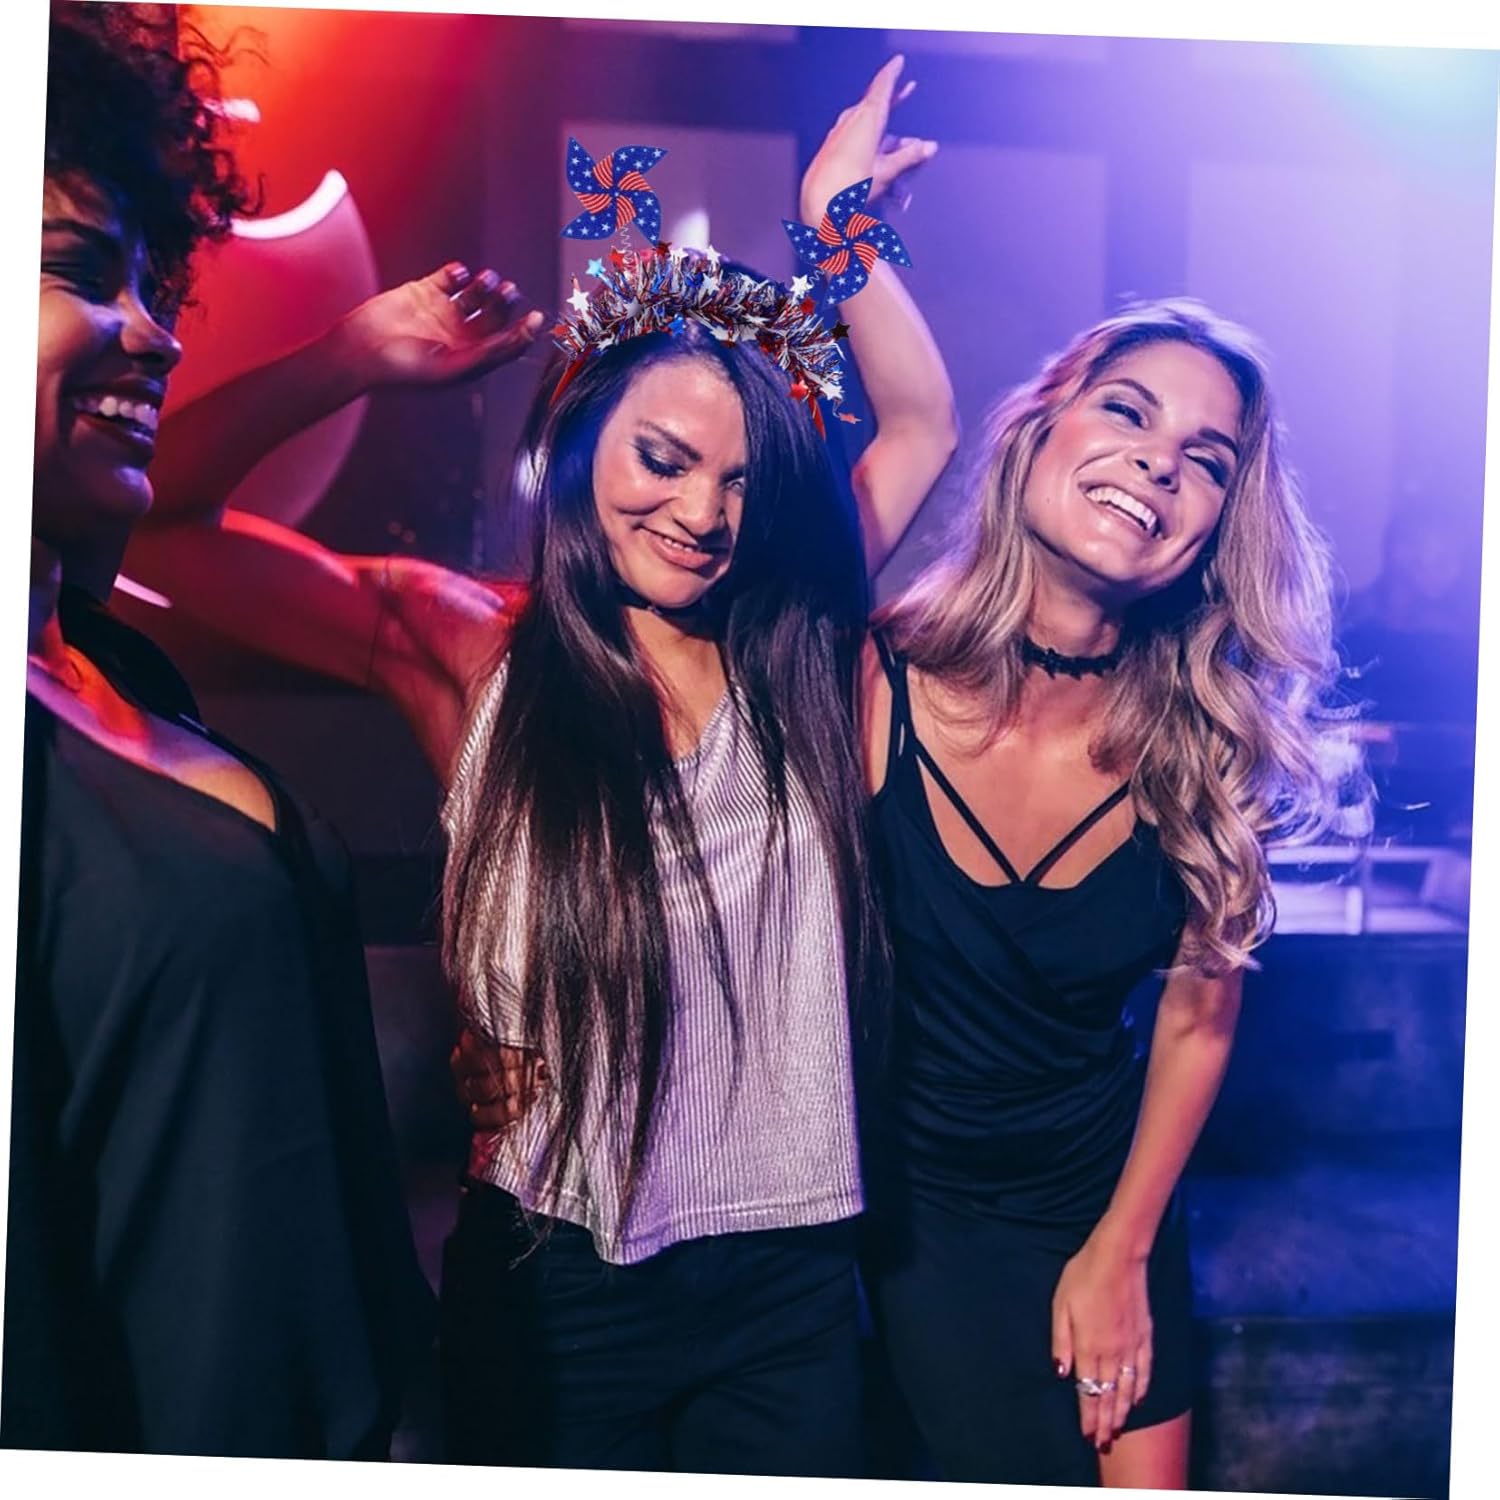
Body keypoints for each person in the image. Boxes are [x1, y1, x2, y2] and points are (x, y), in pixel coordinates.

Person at [121, 56, 956, 1474]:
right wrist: (350, 356)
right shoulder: (473, 651)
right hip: (558, 1282)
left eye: (739, 480)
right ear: (578, 448)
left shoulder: (800, 644)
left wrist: (841, 227)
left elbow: (923, 422)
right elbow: (162, 523)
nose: (703, 513)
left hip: (790, 1281)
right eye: (662, 460)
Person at [4, 2, 439, 1456]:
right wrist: (349, 355)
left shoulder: (121, 676)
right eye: (81, 274)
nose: (152, 332)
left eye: (153, 286)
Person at [852, 300, 1366, 1488]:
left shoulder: (1204, 738)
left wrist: (1124, 1248)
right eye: (1128, 412)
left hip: (1106, 1197)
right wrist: (842, 234)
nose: (1159, 463)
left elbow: (1199, 1017)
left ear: (1215, 525)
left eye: (1207, 460)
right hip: (912, 1211)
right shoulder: (868, 677)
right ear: (1040, 428)